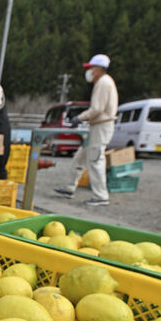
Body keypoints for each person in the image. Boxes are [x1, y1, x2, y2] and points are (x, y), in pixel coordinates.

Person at [54, 53, 118, 207]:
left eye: (91, 68)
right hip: (97, 125)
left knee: (95, 160)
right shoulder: (104, 82)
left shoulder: (103, 82)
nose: (89, 72)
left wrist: (79, 118)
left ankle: (101, 196)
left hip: (101, 126)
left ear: (99, 69)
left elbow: (97, 108)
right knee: (80, 157)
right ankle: (70, 187)